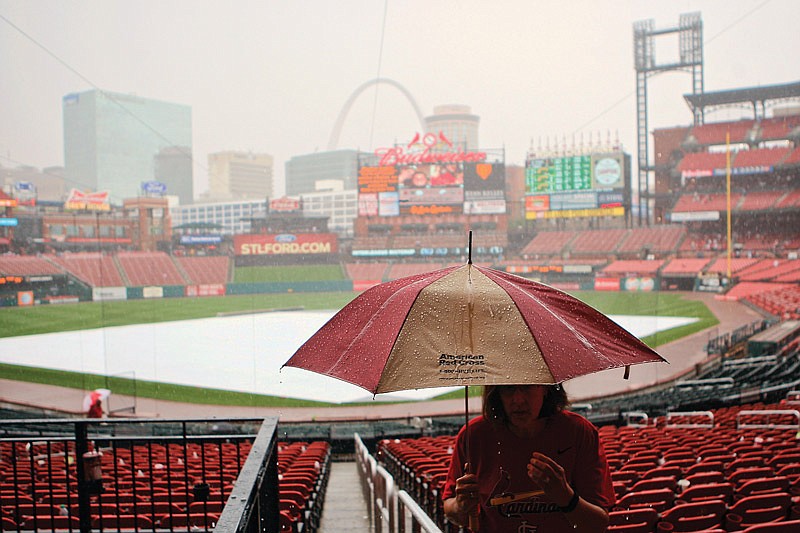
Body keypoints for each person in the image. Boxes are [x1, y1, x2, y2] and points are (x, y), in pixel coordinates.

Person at [442, 384, 614, 532]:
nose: (518, 400)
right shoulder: (473, 436)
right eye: (508, 388)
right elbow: (451, 509)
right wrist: (461, 505)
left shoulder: (579, 432)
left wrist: (565, 496)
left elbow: (598, 525)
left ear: (546, 388)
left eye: (527, 386)